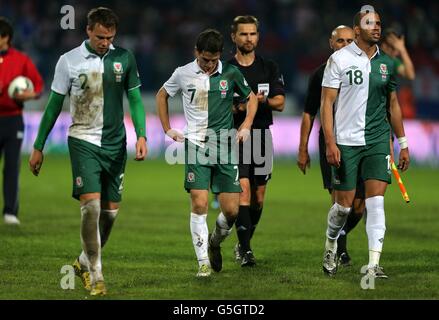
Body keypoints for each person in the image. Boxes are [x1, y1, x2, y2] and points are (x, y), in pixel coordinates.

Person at [28, 7, 147, 296]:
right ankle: (96, 276)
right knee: (91, 207)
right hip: (82, 140)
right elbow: (54, 105)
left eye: (110, 38)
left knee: (109, 215)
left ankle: (82, 262)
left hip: (115, 144)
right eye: (100, 37)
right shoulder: (69, 61)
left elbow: (134, 97)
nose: (105, 42)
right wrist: (38, 146)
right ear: (88, 31)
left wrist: (141, 135)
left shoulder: (124, 58)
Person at [156, 29, 257, 277]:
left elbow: (251, 98)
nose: (209, 65)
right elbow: (162, 95)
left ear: (220, 56)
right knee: (199, 202)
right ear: (196, 53)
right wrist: (167, 128)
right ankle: (203, 263)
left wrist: (245, 125)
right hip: (196, 144)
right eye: (204, 60)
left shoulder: (231, 73)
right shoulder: (183, 73)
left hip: (224, 145)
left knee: (232, 211)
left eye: (213, 60)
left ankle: (214, 243)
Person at [320, 7, 410, 278]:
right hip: (346, 141)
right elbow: (327, 103)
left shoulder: (388, 64)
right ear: (357, 30)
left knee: (376, 202)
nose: (377, 27)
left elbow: (393, 104)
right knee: (344, 206)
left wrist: (402, 143)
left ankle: (373, 263)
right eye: (370, 23)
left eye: (379, 23)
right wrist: (330, 142)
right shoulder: (338, 59)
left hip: (378, 141)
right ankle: (330, 243)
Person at [297, 26, 361, 267]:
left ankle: (339, 236)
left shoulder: (364, 70)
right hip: (331, 142)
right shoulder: (320, 74)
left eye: (349, 41)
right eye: (340, 41)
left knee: (359, 205)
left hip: (359, 142)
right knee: (339, 201)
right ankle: (338, 250)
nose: (344, 45)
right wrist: (303, 148)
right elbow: (308, 113)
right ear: (331, 43)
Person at [228, 15, 285, 267]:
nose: (248, 38)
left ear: (258, 37)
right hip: (235, 136)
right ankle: (247, 251)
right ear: (234, 37)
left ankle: (242, 243)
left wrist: (260, 101)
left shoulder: (268, 67)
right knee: (244, 189)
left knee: (259, 197)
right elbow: (220, 106)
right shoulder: (226, 68)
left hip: (262, 135)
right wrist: (239, 107)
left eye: (252, 34)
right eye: (243, 34)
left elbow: (280, 102)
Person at [0, 17, 44, 225]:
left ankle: (10, 211)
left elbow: (38, 86)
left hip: (12, 121)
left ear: (6, 38)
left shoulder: (21, 60)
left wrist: (29, 95)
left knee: (11, 166)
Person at [381, 28, 416, 118]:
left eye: (397, 49)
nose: (396, 52)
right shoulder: (371, 59)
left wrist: (403, 50)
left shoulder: (393, 62)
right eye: (393, 48)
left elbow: (410, 75)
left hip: (384, 113)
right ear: (383, 45)